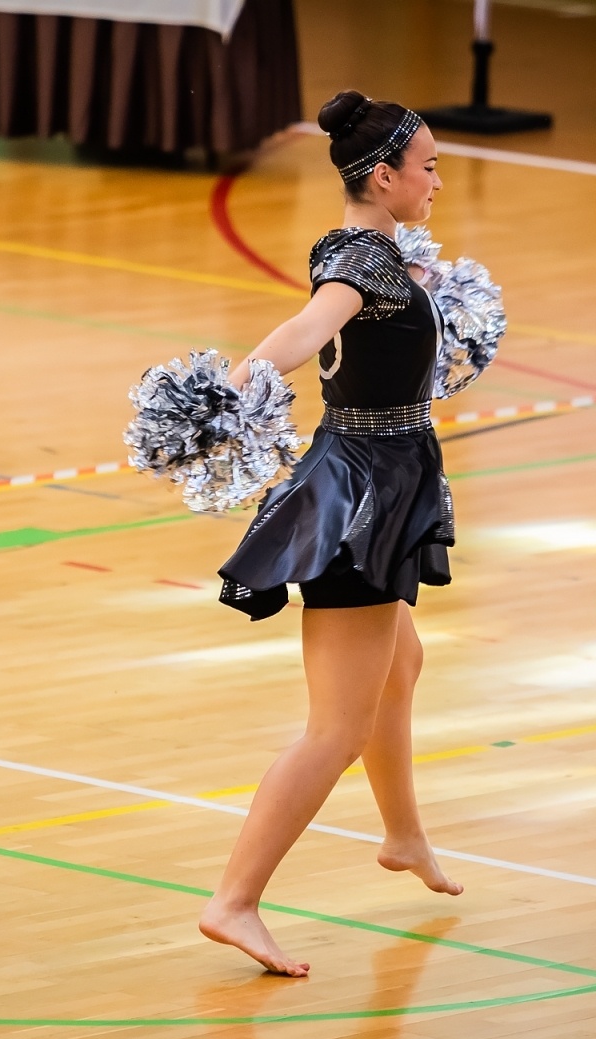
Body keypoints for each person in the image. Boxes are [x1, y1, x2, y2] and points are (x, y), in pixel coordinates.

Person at [198, 90, 465, 978]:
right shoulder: (362, 261)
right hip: (363, 499)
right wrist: (234, 386)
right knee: (334, 730)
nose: (437, 177)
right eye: (426, 164)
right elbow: (311, 326)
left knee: (404, 663)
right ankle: (234, 902)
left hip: (384, 481)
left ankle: (402, 836)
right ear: (383, 175)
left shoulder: (381, 252)